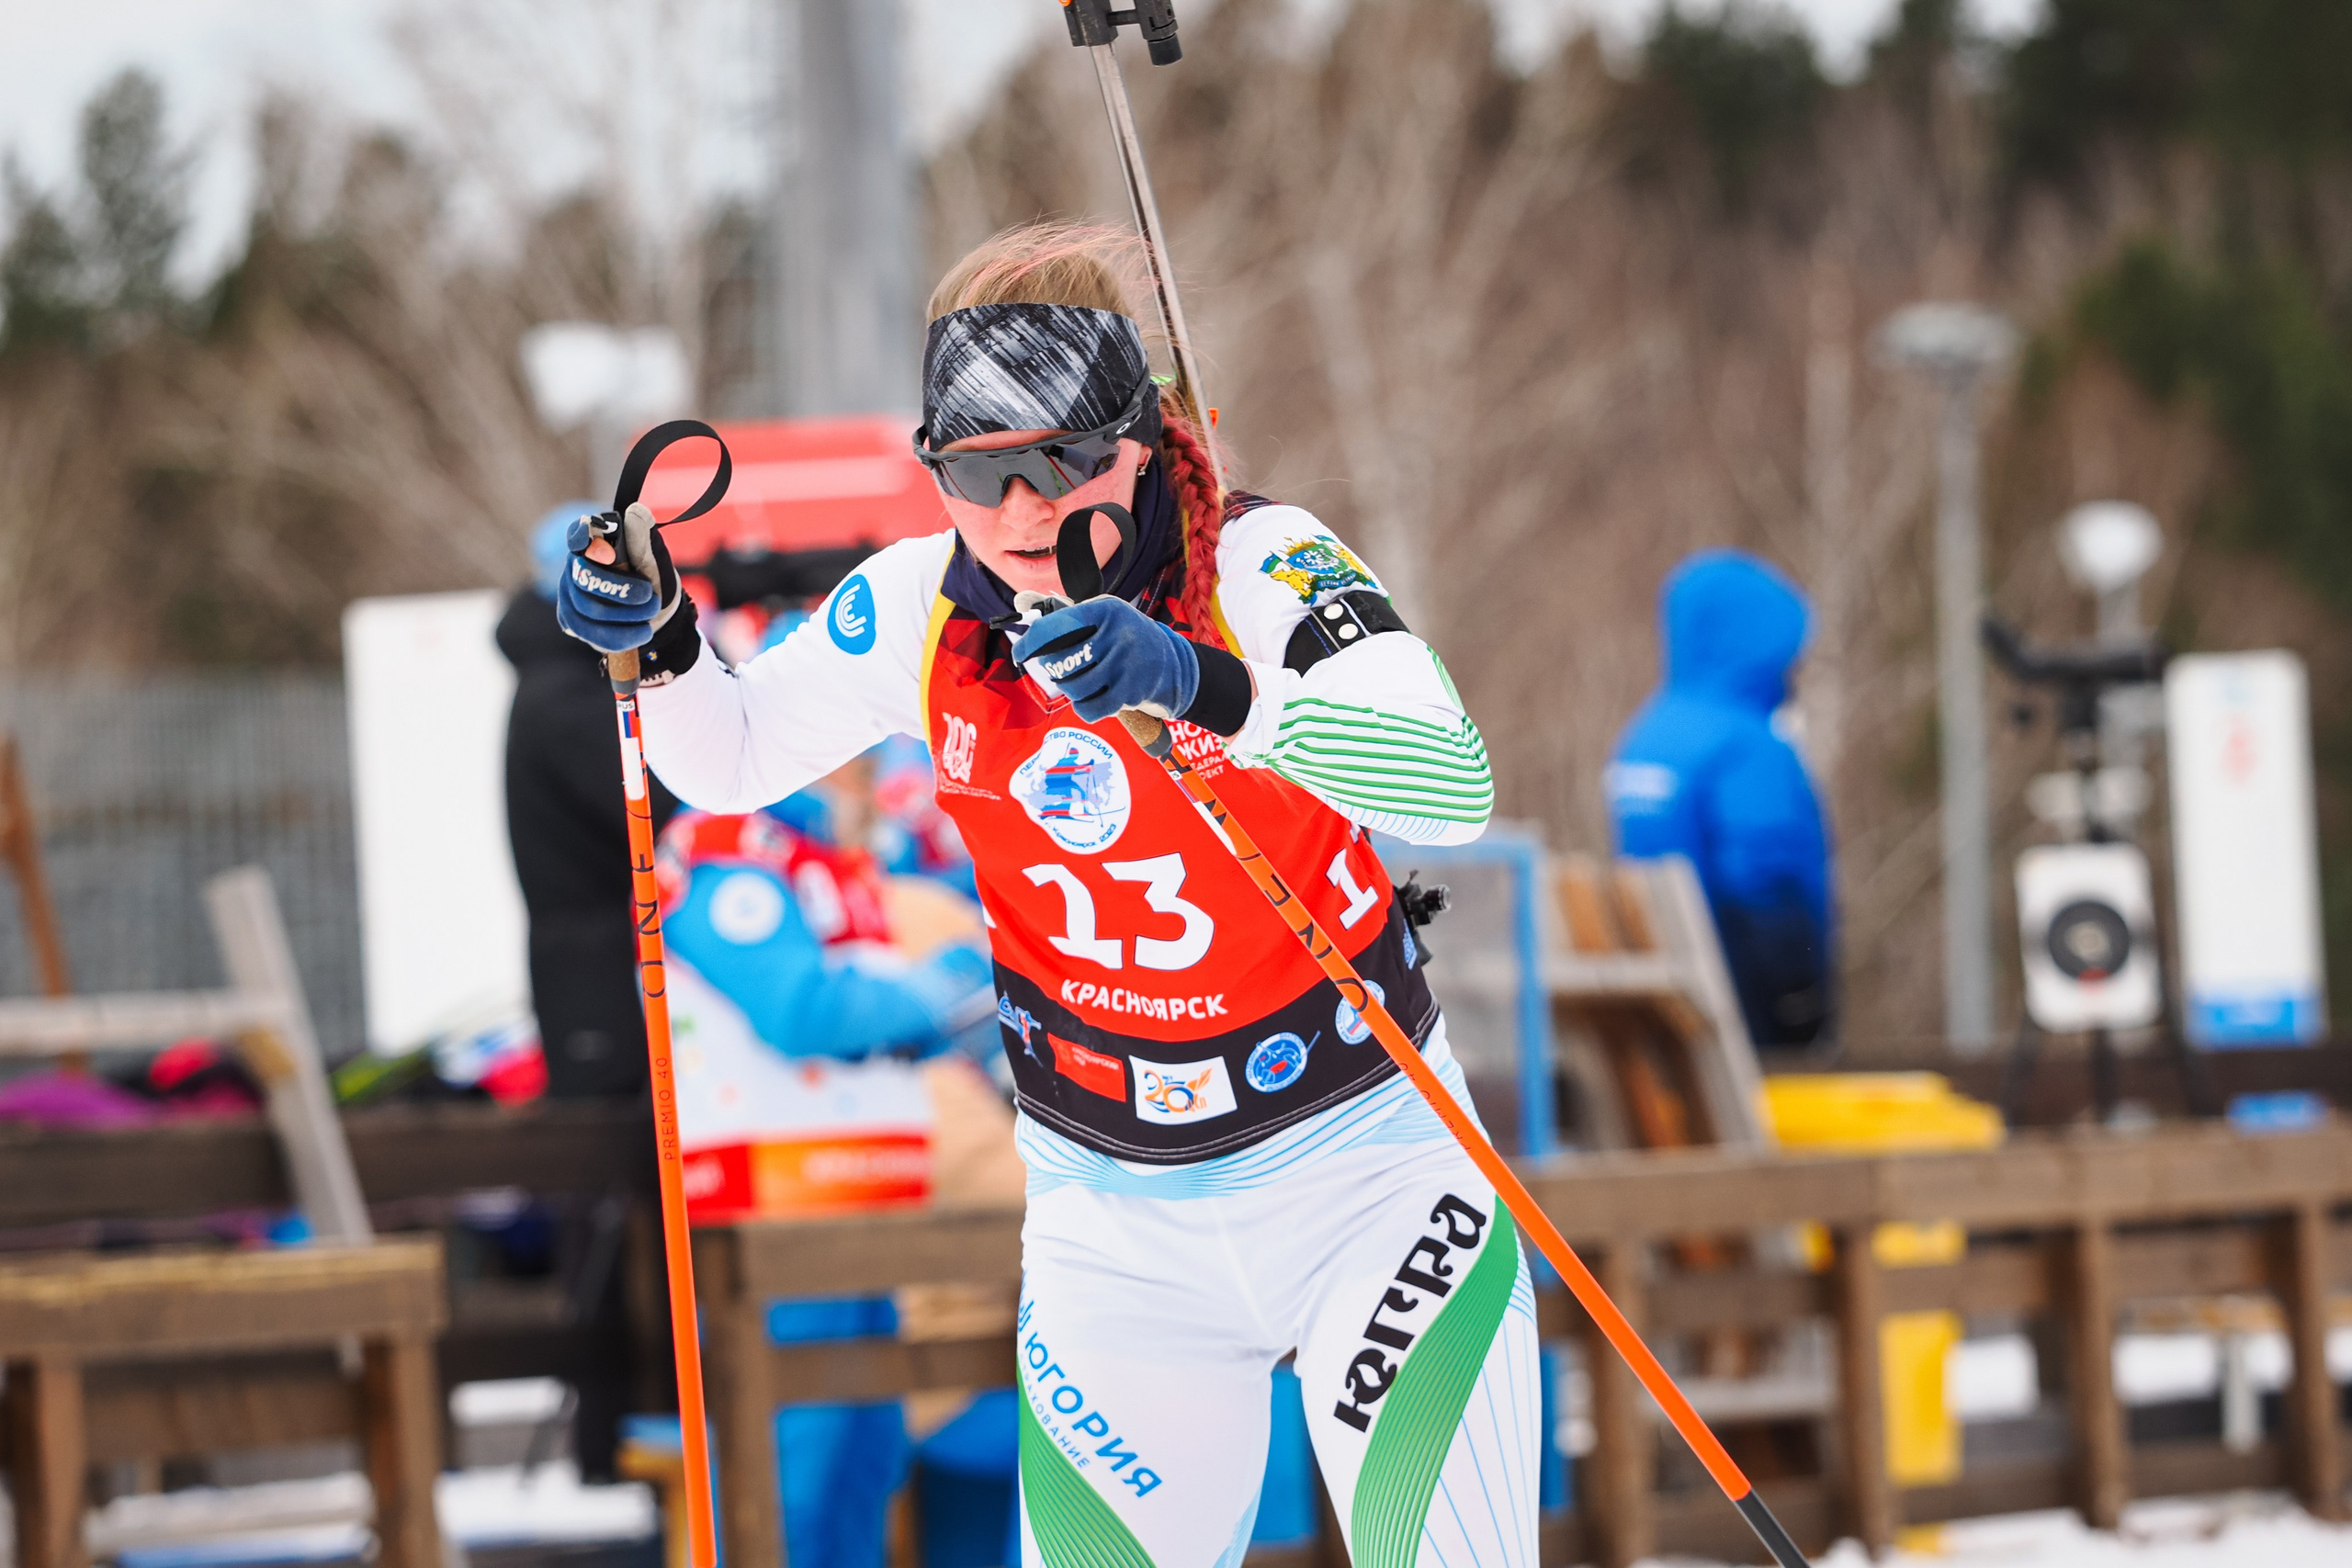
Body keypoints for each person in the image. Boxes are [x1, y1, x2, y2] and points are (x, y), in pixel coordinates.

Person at [554, 221, 1536, 1567]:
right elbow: (726, 755)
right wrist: (661, 639)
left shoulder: (1265, 564)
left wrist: (1207, 686)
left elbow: (1448, 780)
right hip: (1117, 1219)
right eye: (978, 471)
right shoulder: (921, 604)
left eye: (1064, 462)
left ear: (1144, 440)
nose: (1021, 513)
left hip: (1361, 1171)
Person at [1606, 549, 1835, 1052]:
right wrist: (1799, 1003)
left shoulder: (1645, 738)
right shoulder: (1747, 746)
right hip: (1745, 1013)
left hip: (1670, 1010)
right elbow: (1767, 879)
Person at [497, 504, 678, 1099]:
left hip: (596, 953)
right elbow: (651, 802)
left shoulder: (565, 680)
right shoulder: (561, 695)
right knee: (618, 1153)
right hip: (592, 969)